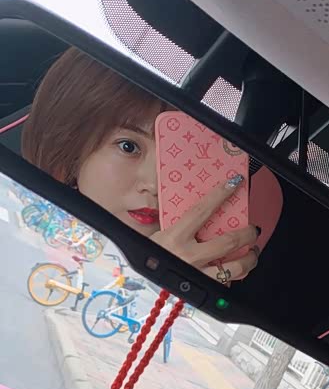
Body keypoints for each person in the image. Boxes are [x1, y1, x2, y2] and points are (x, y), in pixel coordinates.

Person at [21, 47, 260, 285]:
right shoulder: (27, 236)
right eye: (128, 147)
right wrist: (155, 278)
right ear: (71, 148)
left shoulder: (215, 262)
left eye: (183, 158)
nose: (155, 185)